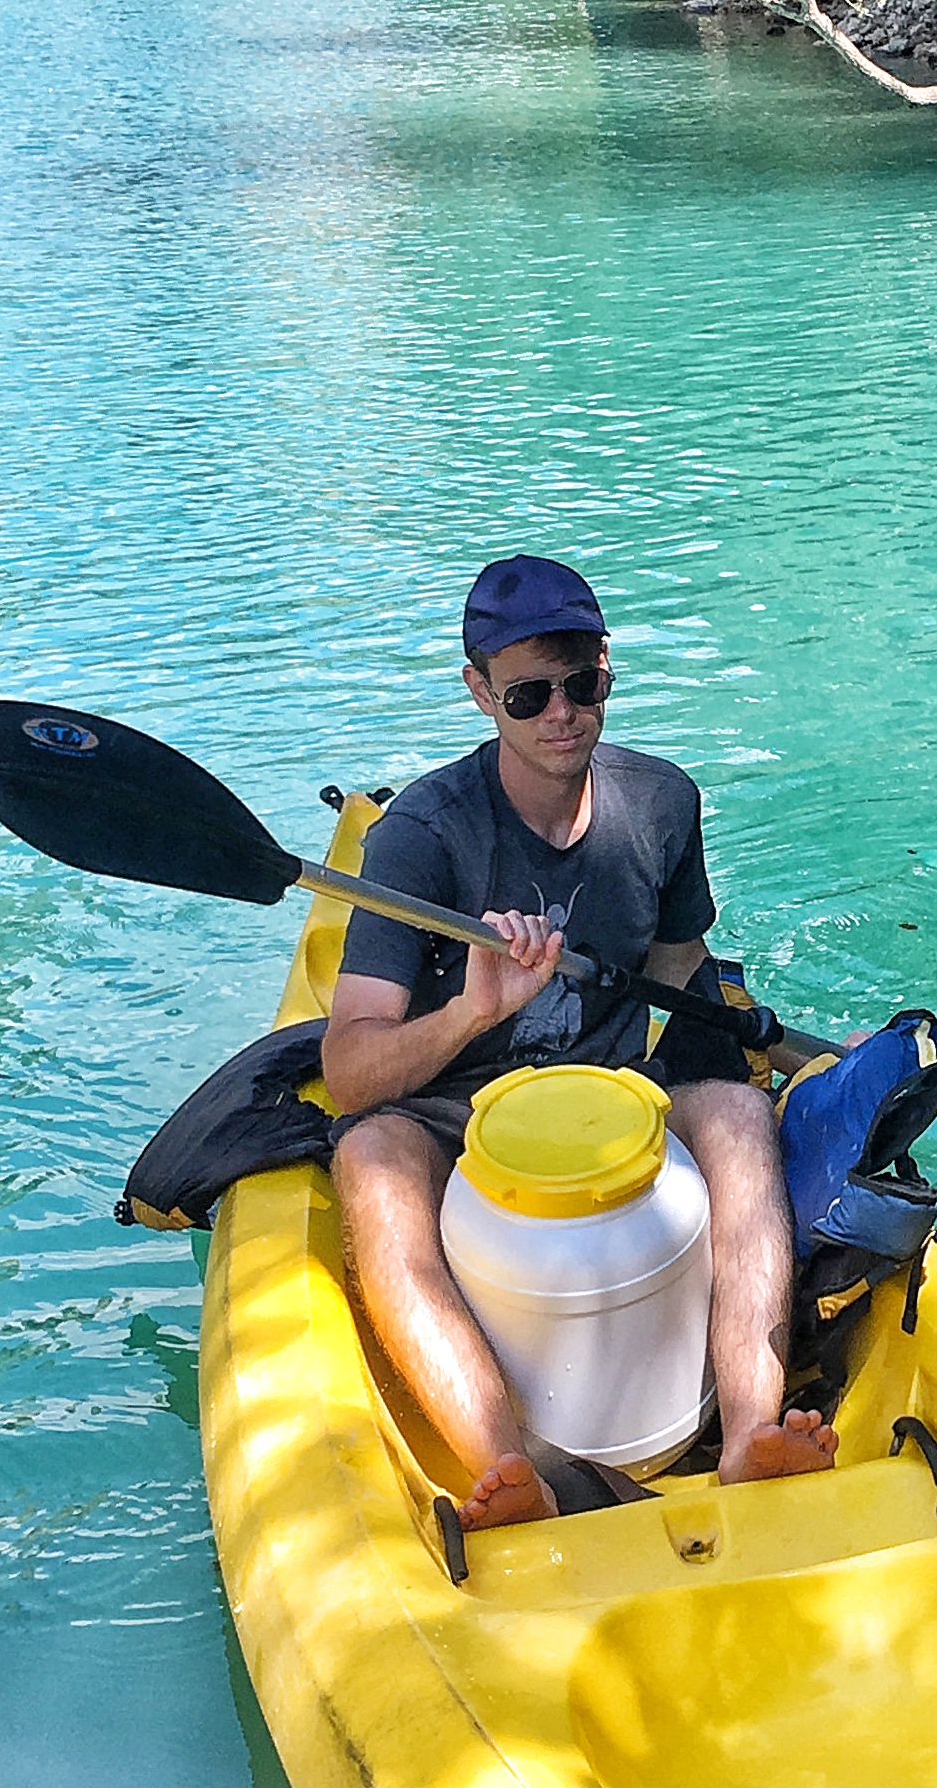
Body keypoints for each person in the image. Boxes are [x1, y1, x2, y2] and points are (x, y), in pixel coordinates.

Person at [320, 555, 839, 1530]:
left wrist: (786, 1059)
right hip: (453, 1109)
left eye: (581, 684)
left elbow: (684, 969)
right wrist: (475, 1009)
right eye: (527, 694)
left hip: (612, 1095)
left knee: (732, 1111)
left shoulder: (662, 805)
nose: (561, 713)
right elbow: (349, 1072)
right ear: (480, 694)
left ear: (608, 670)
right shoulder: (419, 841)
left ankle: (750, 1440)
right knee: (369, 1155)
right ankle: (509, 1470)